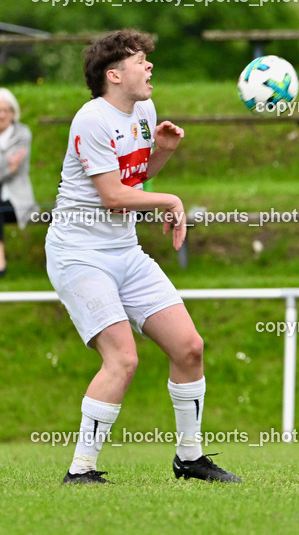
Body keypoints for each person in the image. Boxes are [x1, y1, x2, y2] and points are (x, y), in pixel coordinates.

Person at [47, 29, 240, 484]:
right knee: (123, 359)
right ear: (113, 75)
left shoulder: (144, 110)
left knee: (189, 347)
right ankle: (81, 470)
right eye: (139, 61)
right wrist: (171, 200)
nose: (149, 67)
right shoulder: (91, 119)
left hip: (123, 252)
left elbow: (133, 179)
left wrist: (162, 154)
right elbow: (114, 196)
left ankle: (189, 459)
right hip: (79, 255)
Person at [0, 87, 39, 277]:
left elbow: (16, 169)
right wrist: (8, 166)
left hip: (16, 200)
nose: (1, 115)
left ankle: (0, 261)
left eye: (4, 110)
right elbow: (9, 168)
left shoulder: (22, 133)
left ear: (13, 113)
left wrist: (7, 168)